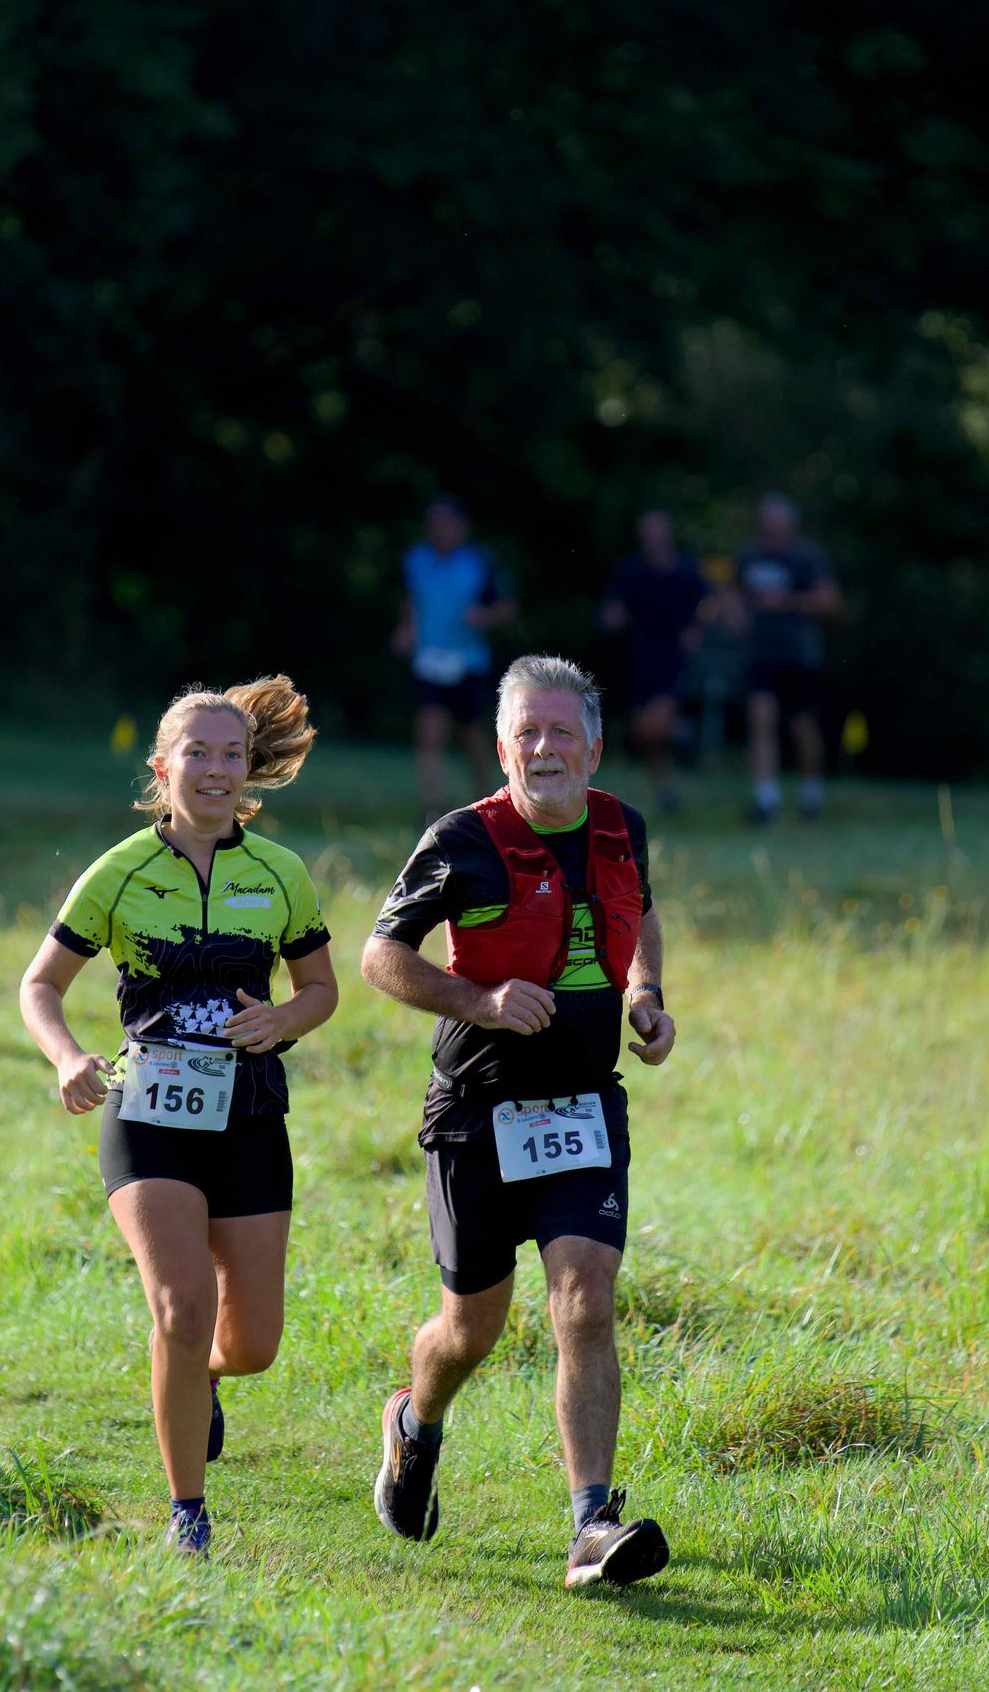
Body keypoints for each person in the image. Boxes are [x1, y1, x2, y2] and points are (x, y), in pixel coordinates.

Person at [359, 655, 682, 1589]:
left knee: (586, 1298)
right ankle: (415, 1422)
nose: (545, 748)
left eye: (561, 732)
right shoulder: (462, 839)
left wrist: (646, 994)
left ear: (594, 748)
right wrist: (481, 1000)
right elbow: (381, 956)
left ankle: (591, 1526)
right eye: (526, 734)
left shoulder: (622, 825)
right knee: (471, 1330)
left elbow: (640, 912)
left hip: (583, 1104)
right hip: (476, 1109)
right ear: (502, 750)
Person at [16, 678, 338, 1557]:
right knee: (182, 1306)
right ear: (163, 769)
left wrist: (283, 1020)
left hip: (250, 1116)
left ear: (249, 771)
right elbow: (40, 985)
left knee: (253, 1343)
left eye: (233, 754)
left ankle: (196, 1377)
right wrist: (68, 1056)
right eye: (198, 753)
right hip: (149, 1115)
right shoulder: (119, 871)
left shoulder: (280, 873)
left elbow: (320, 989)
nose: (217, 769)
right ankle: (187, 1516)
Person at [393, 496, 518, 821]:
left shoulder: (479, 563)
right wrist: (406, 628)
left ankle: (488, 800)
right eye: (434, 525)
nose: (439, 531)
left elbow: (507, 608)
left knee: (472, 734)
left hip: (468, 662)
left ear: (461, 528)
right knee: (430, 728)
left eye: (446, 524)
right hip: (429, 660)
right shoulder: (417, 560)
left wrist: (483, 616)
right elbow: (411, 600)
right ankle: (432, 806)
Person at [732, 493, 840, 823]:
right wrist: (735, 615)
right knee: (760, 719)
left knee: (803, 728)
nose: (771, 532)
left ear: (790, 525)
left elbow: (830, 600)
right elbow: (732, 594)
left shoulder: (807, 557)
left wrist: (787, 602)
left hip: (798, 656)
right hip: (760, 654)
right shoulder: (750, 555)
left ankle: (810, 792)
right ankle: (766, 799)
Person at [597, 509, 713, 812]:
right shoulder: (631, 570)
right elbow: (615, 608)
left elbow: (709, 602)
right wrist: (611, 618)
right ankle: (664, 789)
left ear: (668, 532)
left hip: (674, 659)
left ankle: (684, 731)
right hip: (640, 659)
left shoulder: (687, 569)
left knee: (654, 726)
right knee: (643, 734)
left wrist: (698, 627)